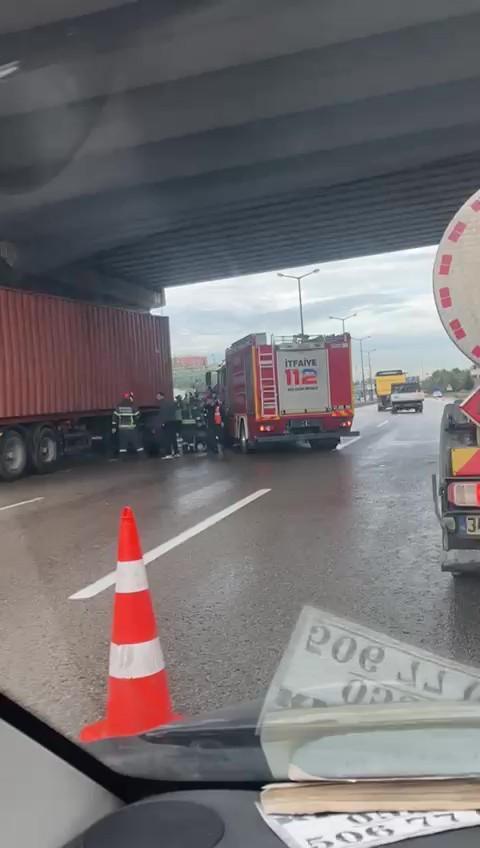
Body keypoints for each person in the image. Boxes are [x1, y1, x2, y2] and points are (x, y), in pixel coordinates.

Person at [156, 391, 180, 458]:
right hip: (173, 422)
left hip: (167, 422)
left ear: (161, 396)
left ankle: (168, 454)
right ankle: (176, 452)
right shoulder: (169, 403)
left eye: (158, 396)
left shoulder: (162, 404)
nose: (157, 397)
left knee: (167, 438)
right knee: (173, 437)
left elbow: (163, 414)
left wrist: (162, 423)